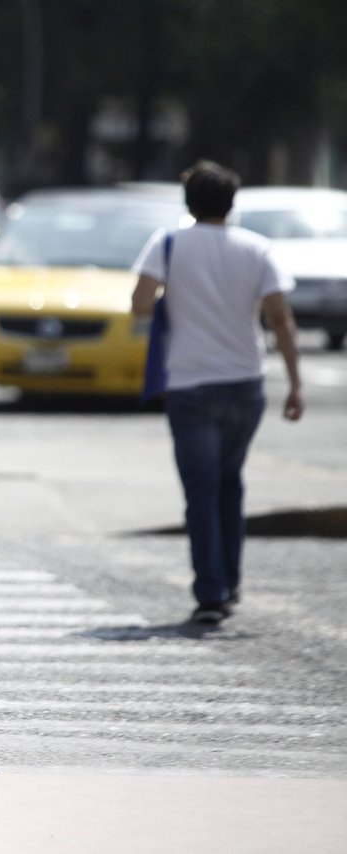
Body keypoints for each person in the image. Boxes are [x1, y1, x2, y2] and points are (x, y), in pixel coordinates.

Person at [131, 160, 304, 626]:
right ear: (232, 203)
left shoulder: (168, 245)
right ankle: (230, 580)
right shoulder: (256, 247)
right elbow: (281, 318)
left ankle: (211, 592)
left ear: (189, 202)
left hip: (190, 385)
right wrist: (295, 384)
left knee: (201, 490)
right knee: (230, 482)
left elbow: (140, 305)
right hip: (246, 383)